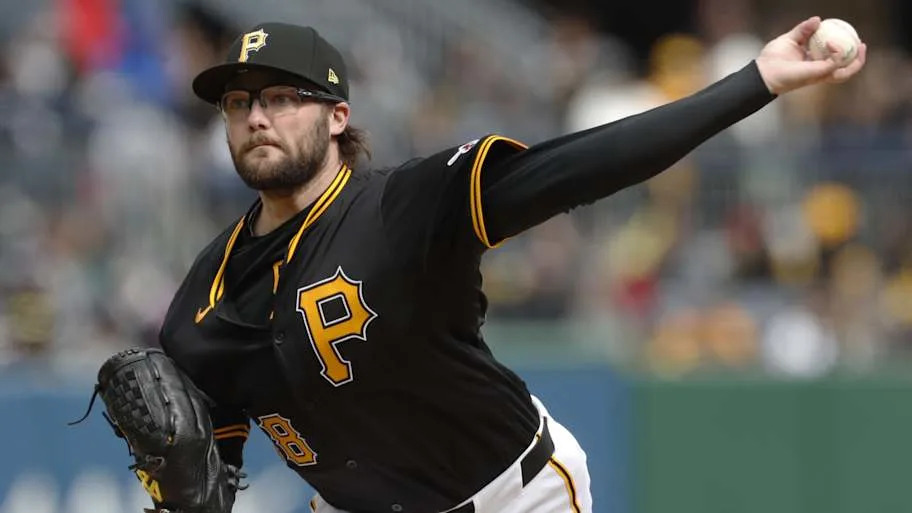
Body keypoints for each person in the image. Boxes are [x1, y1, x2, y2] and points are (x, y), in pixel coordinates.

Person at [159, 18, 866, 513]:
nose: (257, 116)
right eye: (239, 102)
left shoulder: (410, 205)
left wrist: (756, 81)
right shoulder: (202, 304)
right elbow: (210, 469)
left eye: (283, 97)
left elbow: (583, 167)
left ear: (338, 116)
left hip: (515, 496)